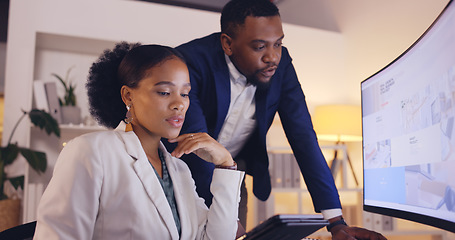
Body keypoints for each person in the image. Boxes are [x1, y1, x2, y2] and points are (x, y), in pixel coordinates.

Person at [163, 0, 387, 239]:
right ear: (228, 44)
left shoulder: (281, 65)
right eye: (260, 47)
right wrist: (228, 218)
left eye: (278, 44)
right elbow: (197, 143)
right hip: (177, 175)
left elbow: (303, 137)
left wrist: (335, 222)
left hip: (230, 178)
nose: (273, 57)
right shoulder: (190, 61)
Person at [34, 42, 244, 240]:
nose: (179, 104)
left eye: (185, 93)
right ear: (128, 96)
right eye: (164, 92)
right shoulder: (90, 152)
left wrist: (225, 164)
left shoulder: (180, 170)